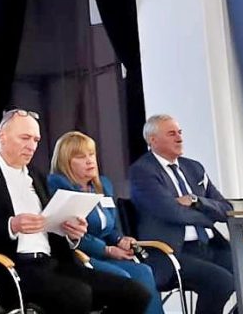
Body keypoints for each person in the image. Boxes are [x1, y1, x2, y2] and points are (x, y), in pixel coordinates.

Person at [0, 109, 151, 314]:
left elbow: (52, 227)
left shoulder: (37, 176)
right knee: (77, 294)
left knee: (136, 293)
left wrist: (70, 233)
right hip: (10, 267)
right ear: (2, 136)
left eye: (36, 140)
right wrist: (11, 226)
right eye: (25, 138)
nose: (32, 146)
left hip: (53, 264)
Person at [129, 114, 243, 314]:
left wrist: (197, 201)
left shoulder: (194, 167)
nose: (179, 138)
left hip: (210, 248)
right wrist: (209, 215)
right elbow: (173, 213)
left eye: (180, 132)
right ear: (153, 140)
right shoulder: (142, 171)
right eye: (171, 134)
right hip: (172, 252)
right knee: (221, 282)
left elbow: (226, 209)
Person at [48, 131, 163, 314]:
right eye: (81, 157)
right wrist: (107, 250)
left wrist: (120, 240)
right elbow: (71, 232)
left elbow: (112, 226)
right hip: (80, 255)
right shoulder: (58, 185)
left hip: (107, 254)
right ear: (65, 162)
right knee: (123, 278)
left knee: (144, 271)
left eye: (91, 154)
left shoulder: (103, 184)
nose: (90, 161)